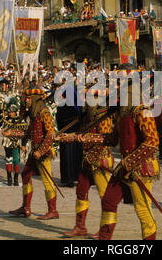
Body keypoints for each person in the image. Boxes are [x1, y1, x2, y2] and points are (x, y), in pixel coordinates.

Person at [76, 65, 160, 240]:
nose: (117, 92)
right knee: (108, 200)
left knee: (143, 210)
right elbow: (111, 139)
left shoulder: (142, 111)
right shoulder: (123, 114)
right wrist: (82, 138)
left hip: (140, 169)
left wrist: (128, 163)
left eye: (120, 88)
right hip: (124, 167)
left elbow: (152, 142)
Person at [57, 90, 113, 238]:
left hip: (100, 160)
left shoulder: (104, 117)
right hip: (87, 160)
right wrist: (64, 137)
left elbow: (105, 139)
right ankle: (80, 227)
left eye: (89, 99)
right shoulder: (87, 117)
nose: (85, 102)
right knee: (81, 191)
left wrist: (85, 138)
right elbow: (79, 135)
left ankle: (105, 230)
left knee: (105, 196)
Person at [9, 88, 58, 220]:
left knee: (47, 181)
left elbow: (51, 134)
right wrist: (11, 133)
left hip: (43, 152)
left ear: (36, 99)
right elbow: (29, 132)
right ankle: (26, 208)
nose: (27, 100)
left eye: (29, 98)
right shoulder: (35, 113)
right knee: (25, 174)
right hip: (35, 151)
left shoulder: (44, 113)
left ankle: (53, 210)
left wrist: (41, 151)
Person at [0, 97, 28, 186]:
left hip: (17, 143)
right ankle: (9, 177)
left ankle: (16, 178)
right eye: (9, 112)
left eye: (12, 112)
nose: (11, 113)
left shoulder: (21, 120)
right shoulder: (5, 119)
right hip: (7, 142)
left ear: (16, 111)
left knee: (16, 160)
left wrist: (23, 144)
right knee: (8, 160)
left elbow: (25, 133)